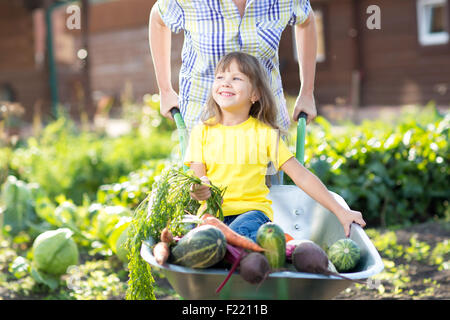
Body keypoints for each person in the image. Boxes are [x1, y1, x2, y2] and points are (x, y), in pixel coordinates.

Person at [184, 52, 366, 242]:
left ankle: (253, 251)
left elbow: (301, 175)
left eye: (236, 78)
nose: (225, 82)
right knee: (202, 238)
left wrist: (341, 210)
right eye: (220, 77)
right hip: (212, 215)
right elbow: (196, 181)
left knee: (238, 232)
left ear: (254, 94)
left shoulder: (264, 134)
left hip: (252, 214)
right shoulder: (201, 132)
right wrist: (198, 190)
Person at [149, 0, 318, 133]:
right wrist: (165, 90)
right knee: (205, 176)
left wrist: (307, 92)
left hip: (265, 117)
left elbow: (307, 19)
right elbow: (158, 19)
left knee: (268, 175)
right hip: (204, 117)